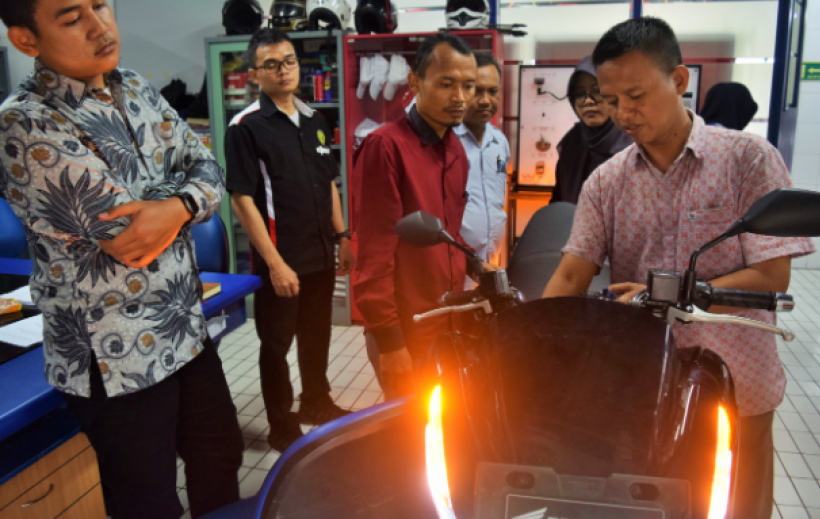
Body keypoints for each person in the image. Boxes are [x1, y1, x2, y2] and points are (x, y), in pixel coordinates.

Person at [541, 17, 813, 519]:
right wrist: (531, 339)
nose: (623, 112)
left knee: (735, 506)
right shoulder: (607, 181)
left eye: (636, 95)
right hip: (643, 385)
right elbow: (571, 275)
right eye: (611, 98)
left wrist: (665, 294)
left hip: (737, 384)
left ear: (680, 81)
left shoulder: (748, 160)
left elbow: (773, 276)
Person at [0, 1, 243, 518]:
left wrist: (173, 206)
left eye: (101, 5)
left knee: (220, 461)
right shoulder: (24, 123)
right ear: (26, 40)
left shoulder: (132, 84)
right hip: (112, 357)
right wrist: (186, 198)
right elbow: (130, 238)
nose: (100, 26)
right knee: (147, 502)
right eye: (71, 18)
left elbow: (208, 165)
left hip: (183, 328)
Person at [225, 28, 354, 453]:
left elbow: (329, 182)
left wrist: (343, 235)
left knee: (317, 335)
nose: (283, 70)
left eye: (289, 61)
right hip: (280, 257)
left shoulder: (316, 120)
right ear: (254, 73)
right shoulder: (246, 127)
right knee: (276, 345)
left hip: (319, 251)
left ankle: (316, 401)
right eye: (272, 64)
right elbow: (242, 199)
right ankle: (281, 424)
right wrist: (274, 263)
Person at [353, 32, 477, 399]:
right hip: (406, 327)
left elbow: (448, 232)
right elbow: (373, 256)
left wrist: (478, 265)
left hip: (446, 321)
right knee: (406, 432)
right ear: (414, 83)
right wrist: (391, 343)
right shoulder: (385, 147)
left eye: (467, 86)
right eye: (446, 84)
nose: (460, 98)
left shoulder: (455, 150)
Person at [455, 52, 511, 287]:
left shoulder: (499, 142)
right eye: (476, 91)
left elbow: (499, 189)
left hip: (492, 260)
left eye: (492, 91)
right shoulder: (447, 143)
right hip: (456, 263)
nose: (485, 100)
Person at [549, 55, 631, 204]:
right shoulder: (571, 144)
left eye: (598, 91)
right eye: (580, 94)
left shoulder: (636, 146)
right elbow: (559, 200)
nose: (588, 101)